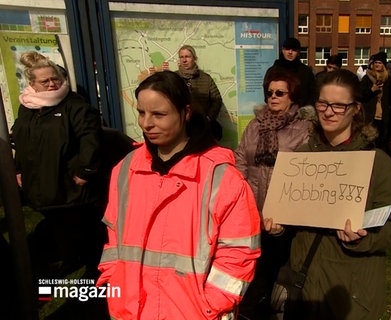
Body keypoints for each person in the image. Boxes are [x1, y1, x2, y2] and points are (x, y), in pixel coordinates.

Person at [97, 70, 261, 319]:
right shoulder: (126, 169)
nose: (146, 123)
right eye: (141, 112)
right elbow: (114, 239)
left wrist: (210, 305)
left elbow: (239, 254)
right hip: (130, 312)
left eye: (159, 114)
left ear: (185, 113)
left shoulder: (221, 177)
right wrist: (114, 285)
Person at [264, 69, 391, 320]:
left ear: (355, 109)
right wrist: (278, 229)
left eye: (339, 106)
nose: (329, 112)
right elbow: (289, 218)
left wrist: (364, 239)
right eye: (323, 103)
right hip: (303, 286)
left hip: (350, 291)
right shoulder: (300, 158)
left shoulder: (376, 162)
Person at [12, 51, 105, 277]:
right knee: (57, 227)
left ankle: (93, 267)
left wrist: (85, 171)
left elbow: (91, 139)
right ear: (33, 84)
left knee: (80, 228)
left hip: (69, 185)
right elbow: (21, 140)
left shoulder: (74, 105)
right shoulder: (28, 107)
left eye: (55, 78)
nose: (53, 84)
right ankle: (70, 257)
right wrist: (18, 169)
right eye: (45, 81)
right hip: (40, 183)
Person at [235, 70, 312, 319]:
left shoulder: (303, 128)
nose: (273, 97)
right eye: (269, 92)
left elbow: (306, 171)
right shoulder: (255, 125)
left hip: (286, 215)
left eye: (280, 92)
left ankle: (280, 308)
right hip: (254, 209)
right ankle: (258, 306)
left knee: (283, 266)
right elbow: (240, 160)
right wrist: (242, 194)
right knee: (258, 265)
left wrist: (286, 209)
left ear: (293, 96)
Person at [173, 45, 223, 140]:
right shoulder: (174, 78)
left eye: (187, 57)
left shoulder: (206, 78)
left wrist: (208, 118)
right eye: (181, 57)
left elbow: (217, 100)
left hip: (202, 129)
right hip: (181, 130)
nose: (184, 60)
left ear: (194, 59)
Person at [361, 52, 391, 149]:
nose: (377, 64)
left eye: (380, 63)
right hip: (370, 115)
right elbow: (360, 95)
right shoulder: (367, 78)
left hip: (385, 116)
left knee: (383, 142)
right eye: (376, 62)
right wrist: (372, 90)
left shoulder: (388, 79)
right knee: (370, 141)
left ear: (384, 65)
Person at [264, 37, 316, 106]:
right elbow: (266, 92)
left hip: (300, 112)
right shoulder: (273, 71)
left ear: (298, 52)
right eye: (287, 49)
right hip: (278, 111)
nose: (290, 52)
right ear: (283, 50)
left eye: (294, 50)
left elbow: (313, 93)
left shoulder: (306, 72)